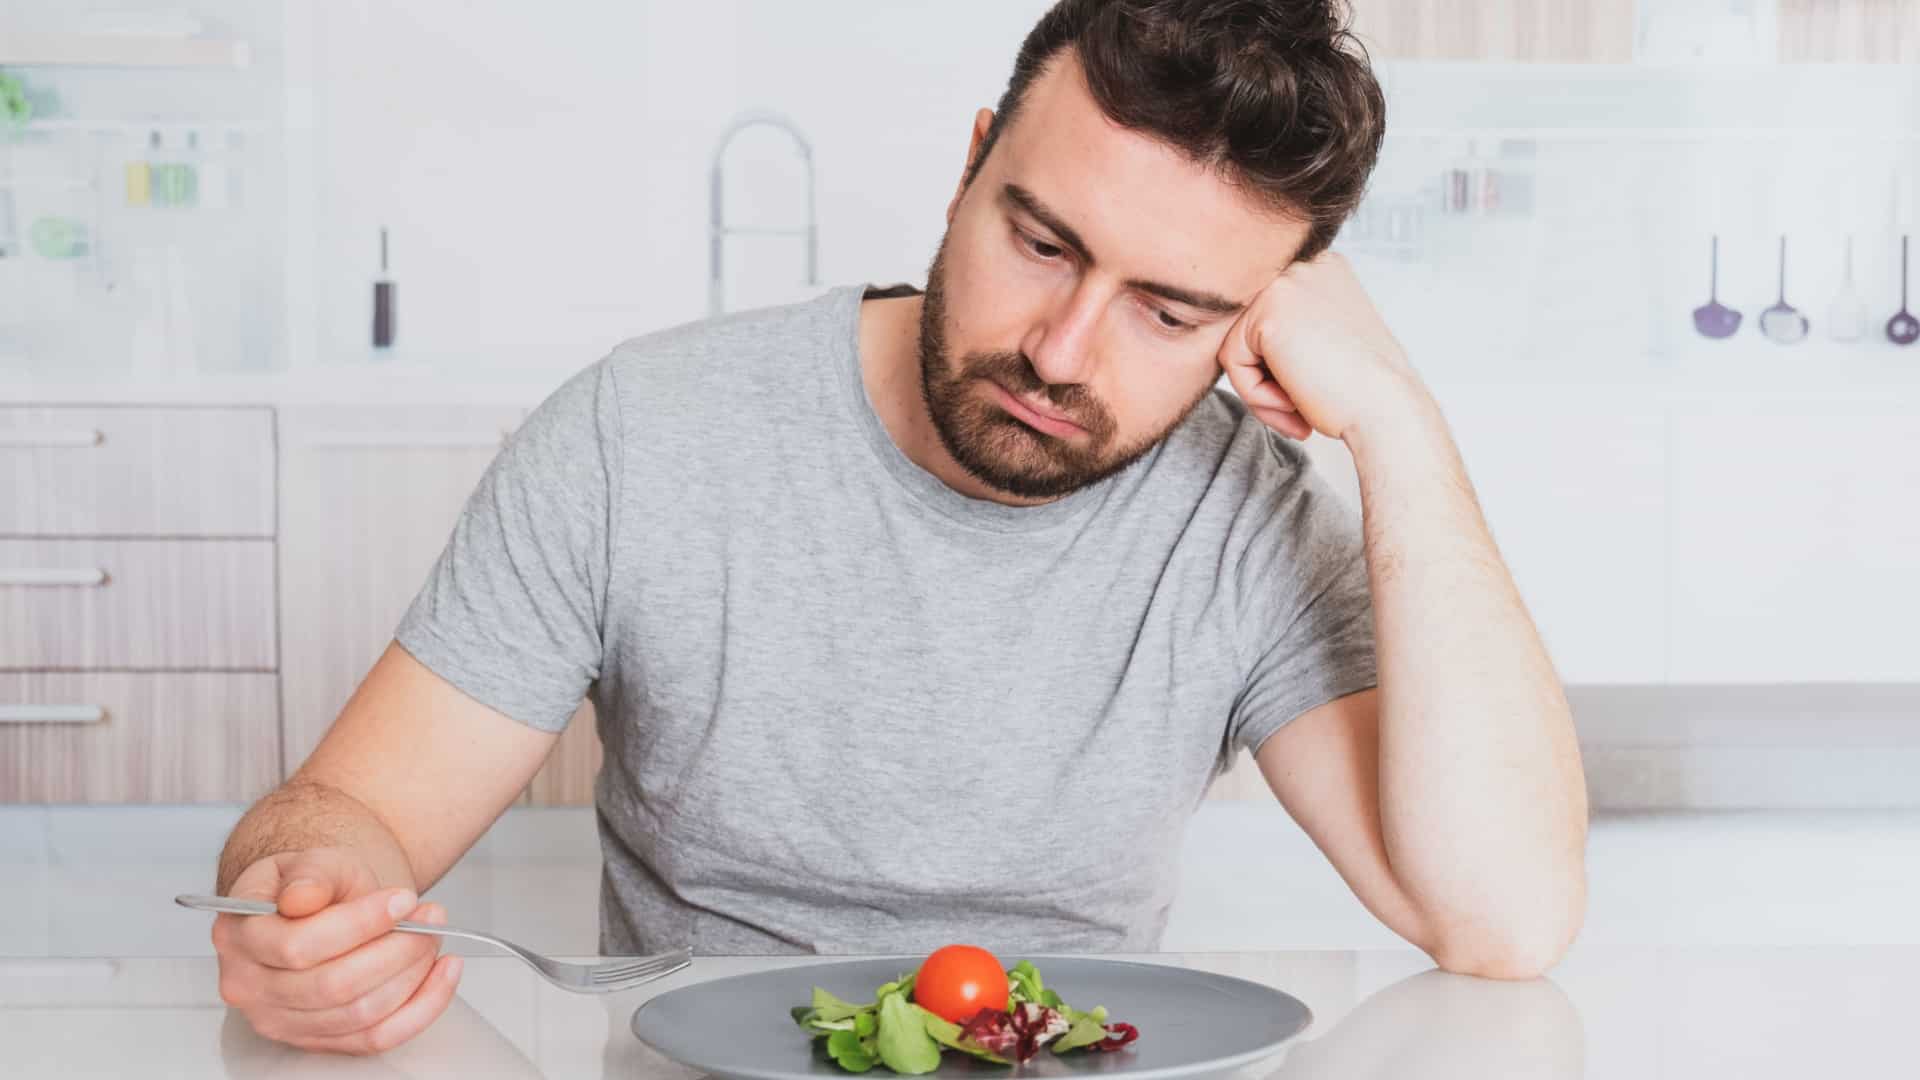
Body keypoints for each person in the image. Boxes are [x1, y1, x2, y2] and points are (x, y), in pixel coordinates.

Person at [210, 0, 1588, 1055]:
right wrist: (309, 900)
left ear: (1261, 318)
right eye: (1040, 243)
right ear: (971, 169)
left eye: (1167, 311)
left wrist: (1398, 423)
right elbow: (348, 814)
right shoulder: (642, 433)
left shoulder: (1249, 523)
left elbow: (1504, 921)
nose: (1060, 350)